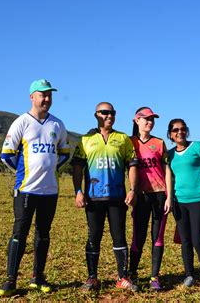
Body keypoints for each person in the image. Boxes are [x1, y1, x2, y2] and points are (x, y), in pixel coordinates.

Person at [0, 79, 70, 297]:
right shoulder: (21, 122)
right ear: (32, 97)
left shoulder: (57, 124)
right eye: (42, 95)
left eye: (49, 95)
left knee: (43, 234)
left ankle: (37, 277)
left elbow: (64, 153)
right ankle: (10, 280)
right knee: (20, 232)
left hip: (50, 191)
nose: (47, 99)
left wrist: (49, 170)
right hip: (26, 189)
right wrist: (24, 175)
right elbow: (6, 155)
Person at [71, 102, 139, 292]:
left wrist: (132, 189)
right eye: (104, 112)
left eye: (112, 113)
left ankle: (122, 277)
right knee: (94, 237)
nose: (109, 116)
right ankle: (92, 278)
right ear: (96, 115)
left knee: (119, 237)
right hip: (93, 198)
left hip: (117, 197)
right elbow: (77, 168)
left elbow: (132, 165)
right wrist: (78, 191)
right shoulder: (85, 139)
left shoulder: (123, 138)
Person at [167, 118, 200, 289]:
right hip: (179, 202)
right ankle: (189, 275)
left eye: (182, 129)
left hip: (199, 201)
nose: (179, 132)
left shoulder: (198, 146)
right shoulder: (170, 154)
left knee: (198, 240)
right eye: (175, 130)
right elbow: (169, 177)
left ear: (186, 131)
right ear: (170, 135)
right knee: (185, 241)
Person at [128, 107, 172, 291]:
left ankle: (155, 277)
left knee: (158, 237)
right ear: (136, 120)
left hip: (160, 194)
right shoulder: (128, 142)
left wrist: (169, 196)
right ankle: (132, 274)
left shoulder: (159, 143)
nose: (150, 122)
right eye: (146, 119)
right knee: (138, 236)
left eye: (152, 119)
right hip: (140, 196)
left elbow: (167, 170)